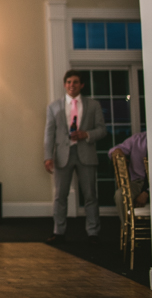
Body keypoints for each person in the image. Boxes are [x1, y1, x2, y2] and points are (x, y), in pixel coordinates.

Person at [44, 69, 107, 244]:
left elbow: (102, 130)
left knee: (90, 195)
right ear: (65, 84)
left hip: (85, 154)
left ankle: (93, 233)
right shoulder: (54, 106)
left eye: (76, 82)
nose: (72, 85)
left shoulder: (93, 105)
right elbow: (49, 133)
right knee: (60, 196)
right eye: (69, 82)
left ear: (82, 85)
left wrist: (86, 134)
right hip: (62, 156)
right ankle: (59, 232)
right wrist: (48, 156)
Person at [109, 131, 148, 228]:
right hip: (139, 181)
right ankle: (129, 230)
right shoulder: (138, 139)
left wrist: (147, 192)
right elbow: (113, 150)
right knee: (120, 194)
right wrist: (117, 151)